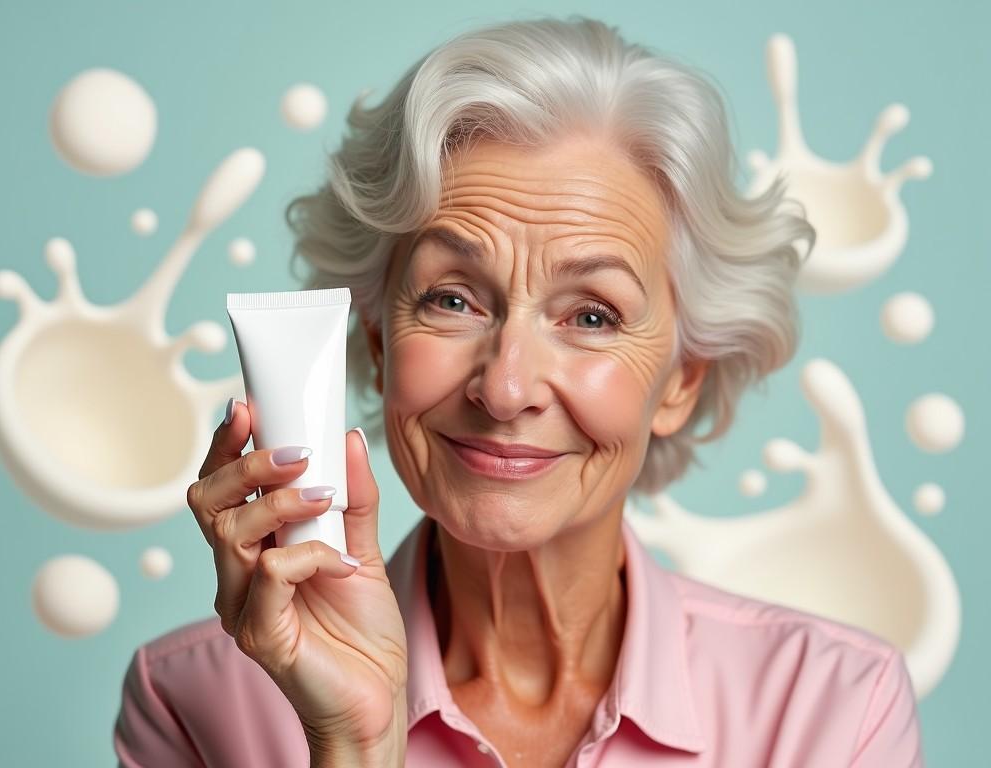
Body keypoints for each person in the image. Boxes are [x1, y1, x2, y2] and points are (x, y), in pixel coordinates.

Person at [113, 14, 924, 767]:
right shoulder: (189, 702)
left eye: (593, 316)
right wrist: (353, 745)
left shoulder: (834, 713)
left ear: (681, 378)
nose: (504, 389)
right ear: (375, 338)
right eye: (452, 299)